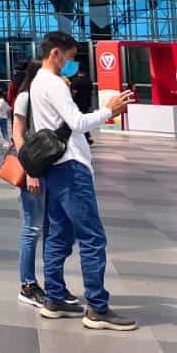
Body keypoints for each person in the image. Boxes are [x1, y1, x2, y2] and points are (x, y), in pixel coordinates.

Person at [30, 31, 136, 330]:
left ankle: (54, 298)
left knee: (58, 234)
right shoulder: (53, 84)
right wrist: (109, 111)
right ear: (56, 54)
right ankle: (97, 308)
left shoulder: (39, 81)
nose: (72, 63)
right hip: (71, 167)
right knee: (91, 236)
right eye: (71, 56)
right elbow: (76, 123)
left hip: (53, 168)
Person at [69, 63, 95, 146]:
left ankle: (86, 137)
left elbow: (74, 92)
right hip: (87, 103)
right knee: (84, 119)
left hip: (78, 103)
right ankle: (87, 136)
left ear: (78, 71)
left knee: (79, 120)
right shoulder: (88, 80)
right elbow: (91, 92)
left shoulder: (76, 81)